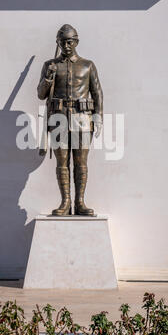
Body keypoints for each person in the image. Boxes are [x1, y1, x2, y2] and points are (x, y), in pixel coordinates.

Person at [37, 24, 103, 216]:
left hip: (82, 119)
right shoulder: (50, 65)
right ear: (57, 43)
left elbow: (97, 93)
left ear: (76, 42)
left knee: (81, 162)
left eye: (70, 41)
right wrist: (48, 78)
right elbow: (41, 94)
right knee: (62, 162)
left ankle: (80, 202)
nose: (66, 45)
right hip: (58, 119)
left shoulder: (87, 65)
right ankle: (65, 202)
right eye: (63, 42)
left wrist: (98, 117)